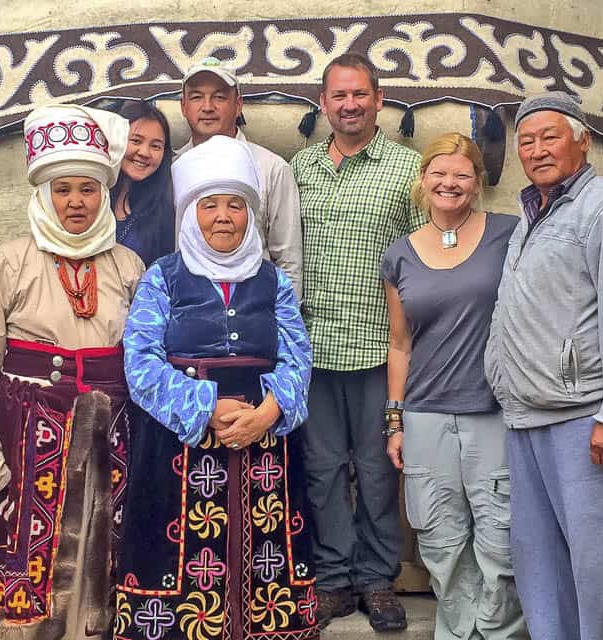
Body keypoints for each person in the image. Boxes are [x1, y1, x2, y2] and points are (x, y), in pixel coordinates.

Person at [0, 104, 145, 640]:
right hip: (25, 432)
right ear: (43, 195)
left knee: (101, 556)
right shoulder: (11, 259)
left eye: (87, 189)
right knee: (30, 570)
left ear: (104, 193)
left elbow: (145, 356)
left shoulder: (127, 264)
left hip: (111, 433)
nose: (75, 201)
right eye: (62, 189)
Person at [115, 135, 317, 640]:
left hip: (264, 443)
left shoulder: (273, 281)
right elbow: (139, 362)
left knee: (263, 566)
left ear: (251, 214)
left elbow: (297, 356)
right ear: (190, 214)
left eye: (235, 205)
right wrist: (206, 405)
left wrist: (269, 413)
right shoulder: (163, 278)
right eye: (210, 205)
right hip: (176, 447)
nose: (223, 217)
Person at [484, 91, 603, 640]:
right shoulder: (531, 213)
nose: (537, 150)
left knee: (600, 568)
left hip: (586, 419)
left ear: (583, 140)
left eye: (550, 137)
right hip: (527, 416)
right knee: (541, 569)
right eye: (526, 140)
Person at [289, 53, 423, 631]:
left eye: (359, 95)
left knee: (377, 469)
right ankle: (333, 579)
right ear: (323, 103)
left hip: (379, 348)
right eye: (338, 96)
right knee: (320, 469)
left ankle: (377, 578)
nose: (349, 105)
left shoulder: (408, 169)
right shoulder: (297, 168)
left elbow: (429, 257)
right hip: (314, 345)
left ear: (379, 99)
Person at [382, 133, 525, 640]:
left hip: (494, 410)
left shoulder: (509, 233)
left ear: (478, 183)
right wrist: (395, 419)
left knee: (500, 536)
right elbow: (400, 344)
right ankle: (458, 631)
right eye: (439, 173)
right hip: (425, 413)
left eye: (462, 174)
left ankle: (497, 632)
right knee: (440, 537)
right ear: (422, 181)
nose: (450, 183)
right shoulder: (399, 254)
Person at [176, 56, 303, 294]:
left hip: (253, 313)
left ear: (238, 105)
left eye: (219, 97)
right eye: (196, 97)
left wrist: (283, 324)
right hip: (186, 313)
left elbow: (288, 261)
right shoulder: (173, 168)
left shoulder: (271, 168)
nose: (207, 107)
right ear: (183, 106)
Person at [111, 99, 176, 266]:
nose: (145, 153)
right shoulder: (91, 195)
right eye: (136, 141)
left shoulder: (166, 210)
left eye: (156, 146)